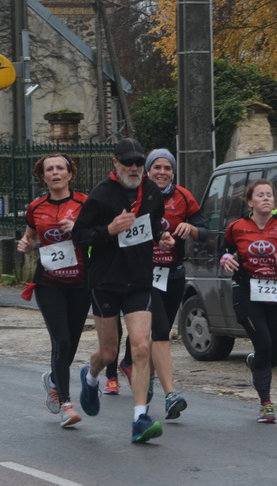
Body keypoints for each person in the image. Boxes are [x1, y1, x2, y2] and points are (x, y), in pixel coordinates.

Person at [71, 138, 175, 443]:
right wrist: (109, 230)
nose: (133, 168)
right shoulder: (101, 195)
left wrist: (163, 237)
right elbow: (79, 236)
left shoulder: (152, 192)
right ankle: (90, 378)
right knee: (109, 353)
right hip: (105, 281)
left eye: (138, 163)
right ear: (114, 164)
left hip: (139, 280)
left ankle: (139, 419)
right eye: (127, 162)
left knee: (142, 346)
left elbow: (153, 225)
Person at [113, 149, 207, 419]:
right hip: (144, 274)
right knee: (161, 329)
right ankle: (170, 394)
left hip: (174, 273)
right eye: (157, 167)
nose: (162, 172)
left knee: (150, 332)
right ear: (148, 170)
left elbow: (204, 230)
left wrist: (191, 229)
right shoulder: (138, 195)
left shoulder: (184, 197)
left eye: (167, 168)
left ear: (173, 171)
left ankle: (132, 364)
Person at [221, 179, 277, 423]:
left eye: (269, 194)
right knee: (264, 343)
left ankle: (254, 362)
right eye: (260, 195)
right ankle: (266, 404)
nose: (267, 198)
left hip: (275, 294)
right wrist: (225, 259)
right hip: (246, 293)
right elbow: (225, 251)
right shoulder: (236, 227)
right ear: (250, 202)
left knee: (273, 354)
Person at [17, 153, 90, 428]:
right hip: (49, 284)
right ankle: (66, 403)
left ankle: (53, 379)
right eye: (50, 169)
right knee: (61, 340)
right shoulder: (36, 207)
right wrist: (24, 245)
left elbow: (99, 234)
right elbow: (30, 237)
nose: (56, 173)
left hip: (81, 282)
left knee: (71, 341)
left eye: (61, 168)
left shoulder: (85, 203)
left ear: (71, 174)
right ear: (43, 176)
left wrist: (79, 228)